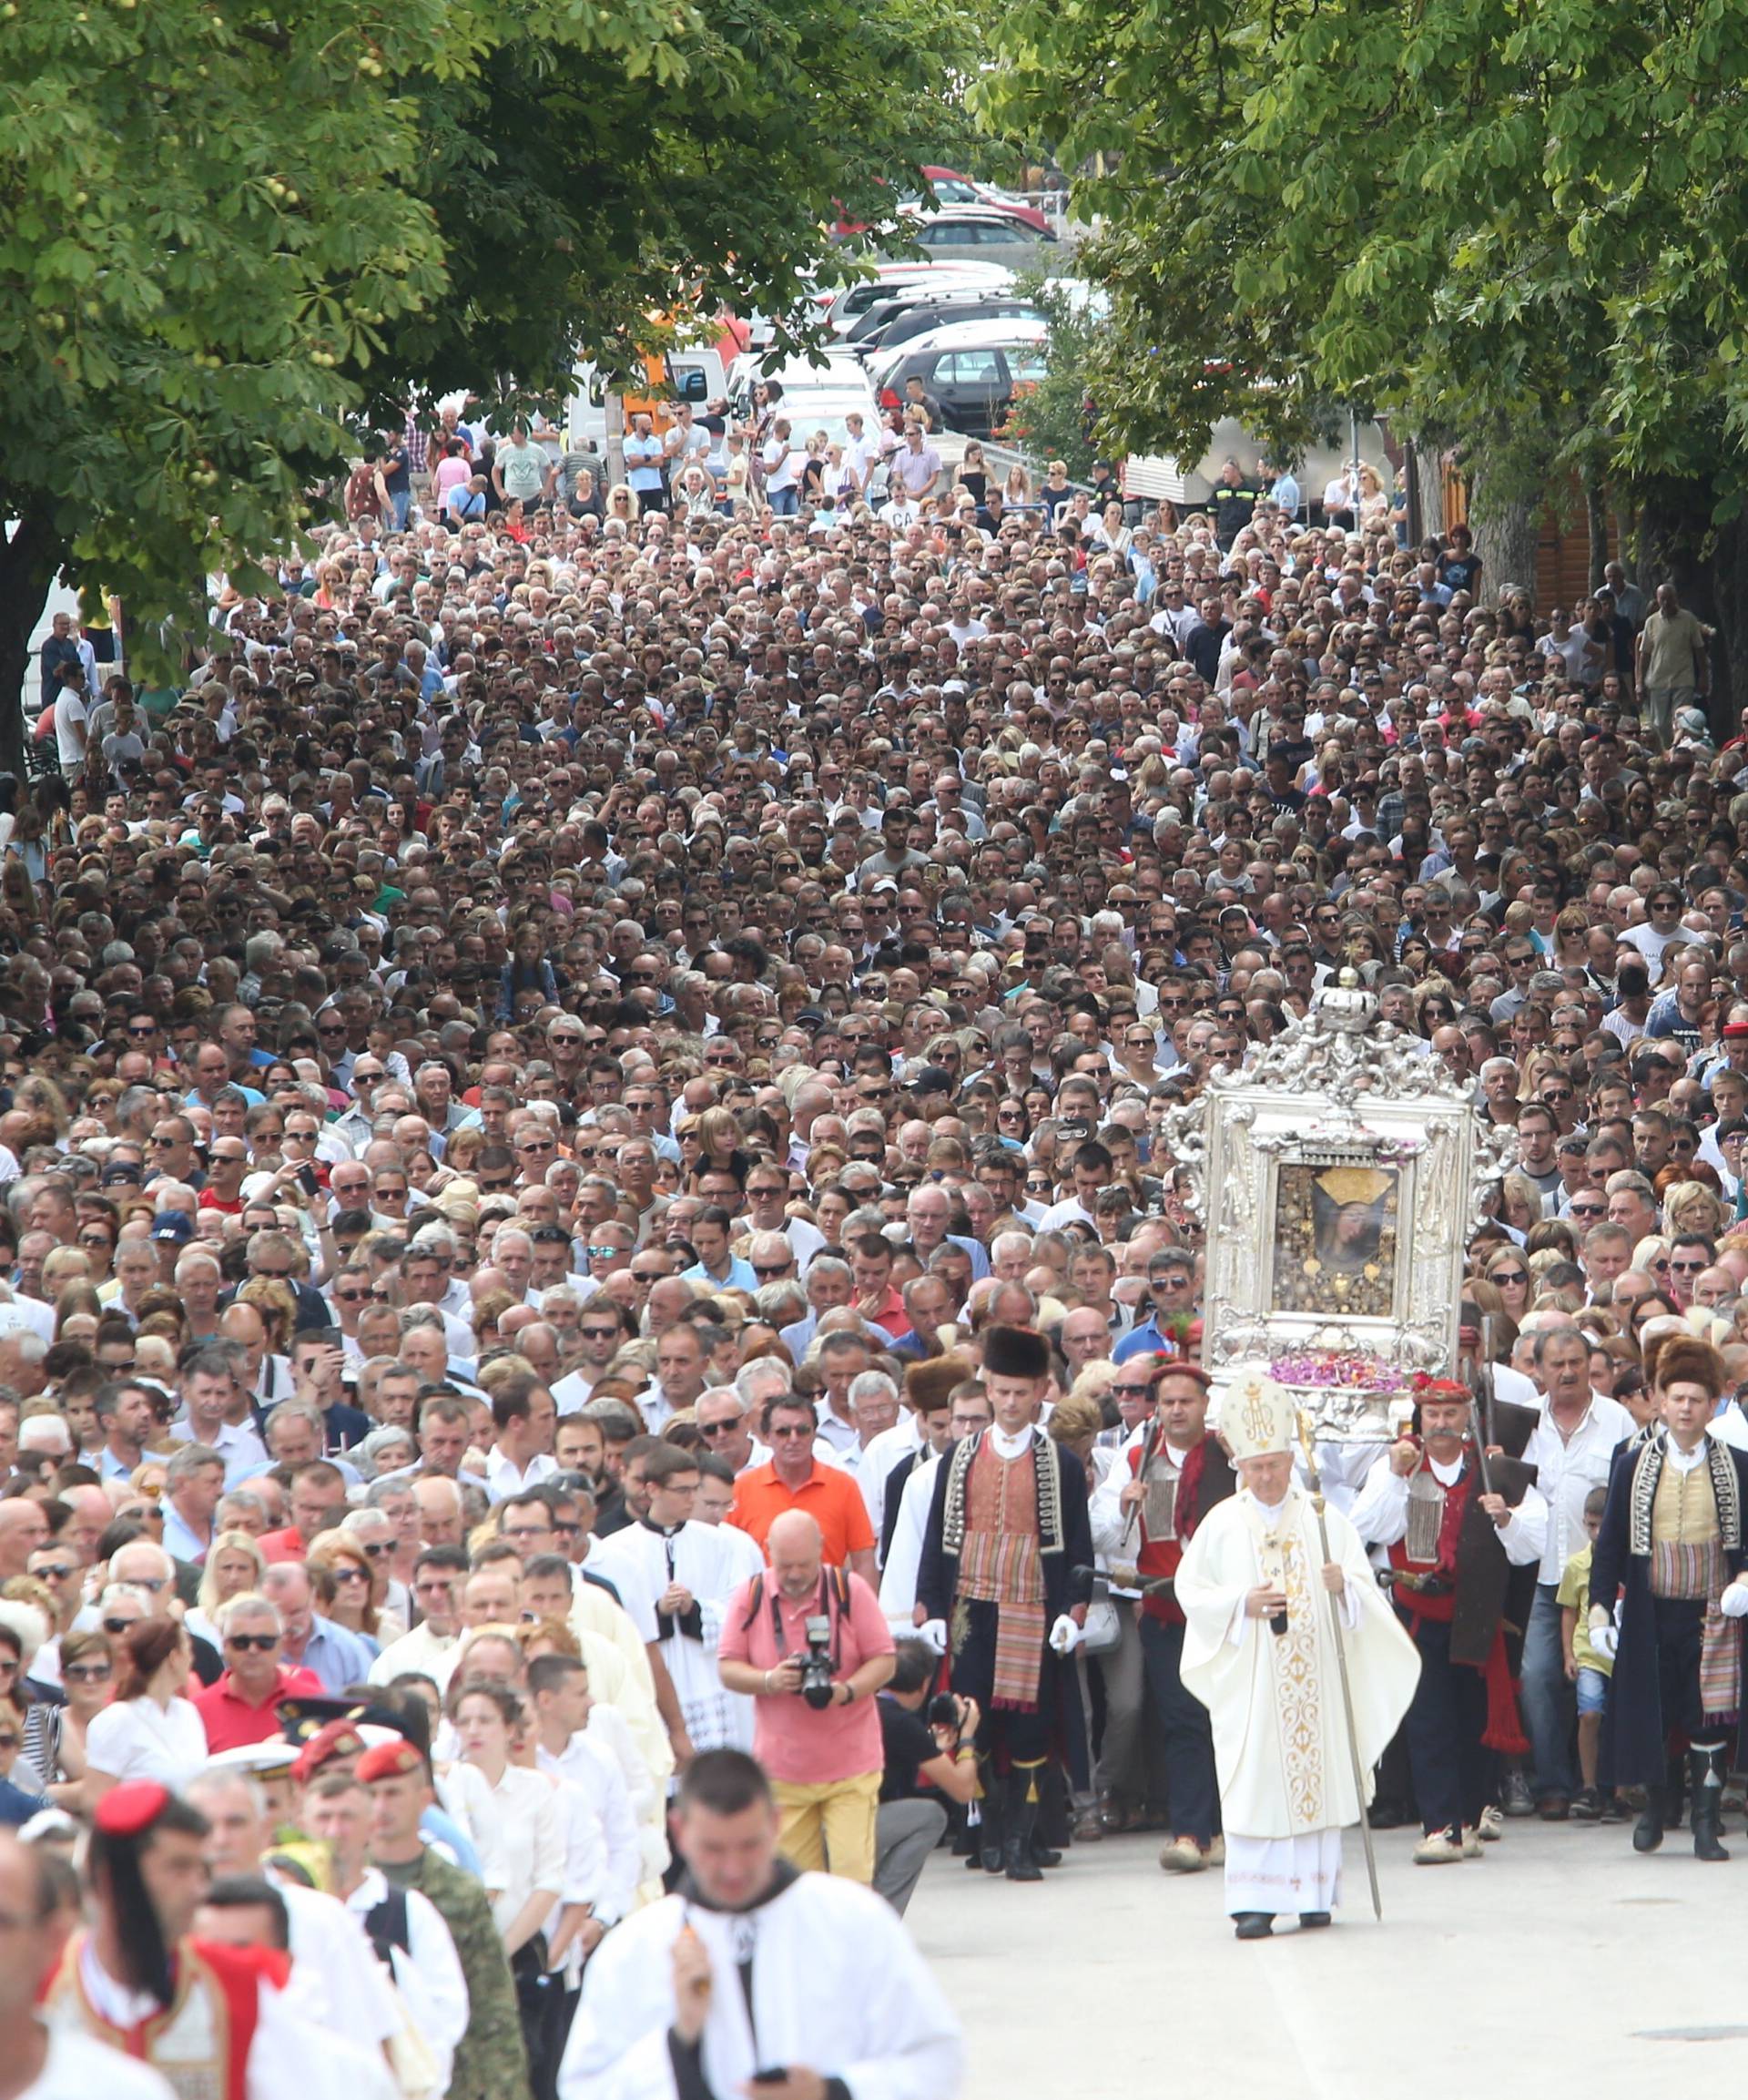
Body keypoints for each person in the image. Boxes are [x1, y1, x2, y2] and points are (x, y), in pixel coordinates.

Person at [558, 1749, 962, 2099]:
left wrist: (833, 2091)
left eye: (749, 1845)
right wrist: (680, 2038)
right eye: (713, 1849)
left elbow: (935, 2059)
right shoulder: (638, 1945)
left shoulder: (853, 1919)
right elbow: (584, 2088)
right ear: (680, 1830)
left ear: (774, 1822)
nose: (733, 1869)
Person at [1175, 1365, 1420, 1938]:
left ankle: (1314, 1894)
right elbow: (1193, 1590)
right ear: (1240, 1466)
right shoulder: (1222, 1524)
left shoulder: (1324, 1517)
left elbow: (1363, 1594)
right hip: (1253, 1680)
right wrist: (1241, 1604)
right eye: (1256, 1467)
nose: (1266, 1477)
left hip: (1315, 1678)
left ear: (1291, 1461)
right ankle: (1254, 1903)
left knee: (1317, 1773)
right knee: (1256, 1781)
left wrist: (1345, 1591)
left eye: (1275, 1466)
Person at [916, 1324, 1093, 1881]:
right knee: (976, 1724)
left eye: (1022, 1392)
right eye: (1001, 1391)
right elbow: (935, 1540)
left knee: (1031, 1729)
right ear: (987, 1389)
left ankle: (1022, 1839)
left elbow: (1079, 1544)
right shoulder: (959, 1457)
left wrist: (1073, 1608)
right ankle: (988, 1833)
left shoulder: (1059, 1463)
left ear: (1042, 1391)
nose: (1012, 1403)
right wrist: (932, 1608)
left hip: (1032, 1608)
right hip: (973, 1607)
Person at [1350, 1378, 1548, 1860]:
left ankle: (1468, 1816)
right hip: (1418, 1612)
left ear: (1467, 1418)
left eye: (1451, 1414)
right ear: (1420, 1418)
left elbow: (1534, 1545)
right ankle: (1439, 1824)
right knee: (1428, 1719)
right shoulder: (1396, 1468)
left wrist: (1506, 1519)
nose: (1440, 1424)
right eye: (1432, 1414)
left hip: (1478, 1612)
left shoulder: (1495, 1469)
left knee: (1474, 1719)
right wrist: (1396, 1478)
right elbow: (1363, 1528)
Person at [41, 1780, 305, 2100]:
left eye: (201, 1869)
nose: (200, 1889)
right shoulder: (37, 1988)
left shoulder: (239, 1985)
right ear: (112, 1878)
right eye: (178, 1868)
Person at [1591, 1336, 1748, 1860]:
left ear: (1712, 1405)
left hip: (1712, 1612)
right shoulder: (1631, 1464)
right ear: (1659, 1399)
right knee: (1652, 1713)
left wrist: (1743, 1584)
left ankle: (1706, 1822)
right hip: (1650, 1608)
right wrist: (1598, 1610)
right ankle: (1657, 1809)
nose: (1685, 1408)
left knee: (1708, 1716)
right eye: (1676, 1397)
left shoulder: (1740, 1467)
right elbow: (1609, 1544)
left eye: (1696, 1399)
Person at [1092, 1359, 1234, 1868]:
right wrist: (1123, 1503)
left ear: (1204, 1405)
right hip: (1165, 1609)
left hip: (1226, 1612)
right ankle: (1191, 1832)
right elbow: (1104, 1534)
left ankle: (1227, 1827)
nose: (1176, 1411)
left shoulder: (1229, 1455)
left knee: (1228, 1720)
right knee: (1181, 1719)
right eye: (1168, 1402)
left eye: (1186, 1401)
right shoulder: (1136, 1456)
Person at [874, 1637, 981, 1914]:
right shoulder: (901, 1723)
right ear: (924, 1685)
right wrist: (967, 1737)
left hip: (816, 1818)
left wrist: (930, 1746)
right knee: (931, 1816)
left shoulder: (864, 1706)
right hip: (854, 1823)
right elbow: (963, 1790)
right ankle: (879, 1914)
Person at [1557, 1485, 1619, 1820]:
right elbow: (1569, 1610)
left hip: (1623, 1655)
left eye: (1602, 1526)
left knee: (1623, 1719)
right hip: (1589, 1654)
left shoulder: (1630, 1564)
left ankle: (1620, 1792)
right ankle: (1590, 1786)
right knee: (1590, 1714)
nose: (1596, 1533)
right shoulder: (1578, 1564)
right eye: (1590, 1525)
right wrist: (1569, 1654)